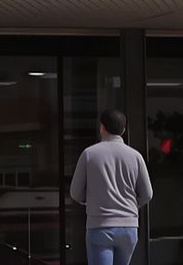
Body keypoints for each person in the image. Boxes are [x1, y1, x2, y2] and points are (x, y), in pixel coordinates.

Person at [70, 109, 153, 265]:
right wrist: (130, 205)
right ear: (123, 130)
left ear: (102, 127)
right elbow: (147, 194)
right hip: (129, 227)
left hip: (99, 225)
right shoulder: (136, 156)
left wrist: (90, 201)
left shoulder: (89, 154)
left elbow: (75, 192)